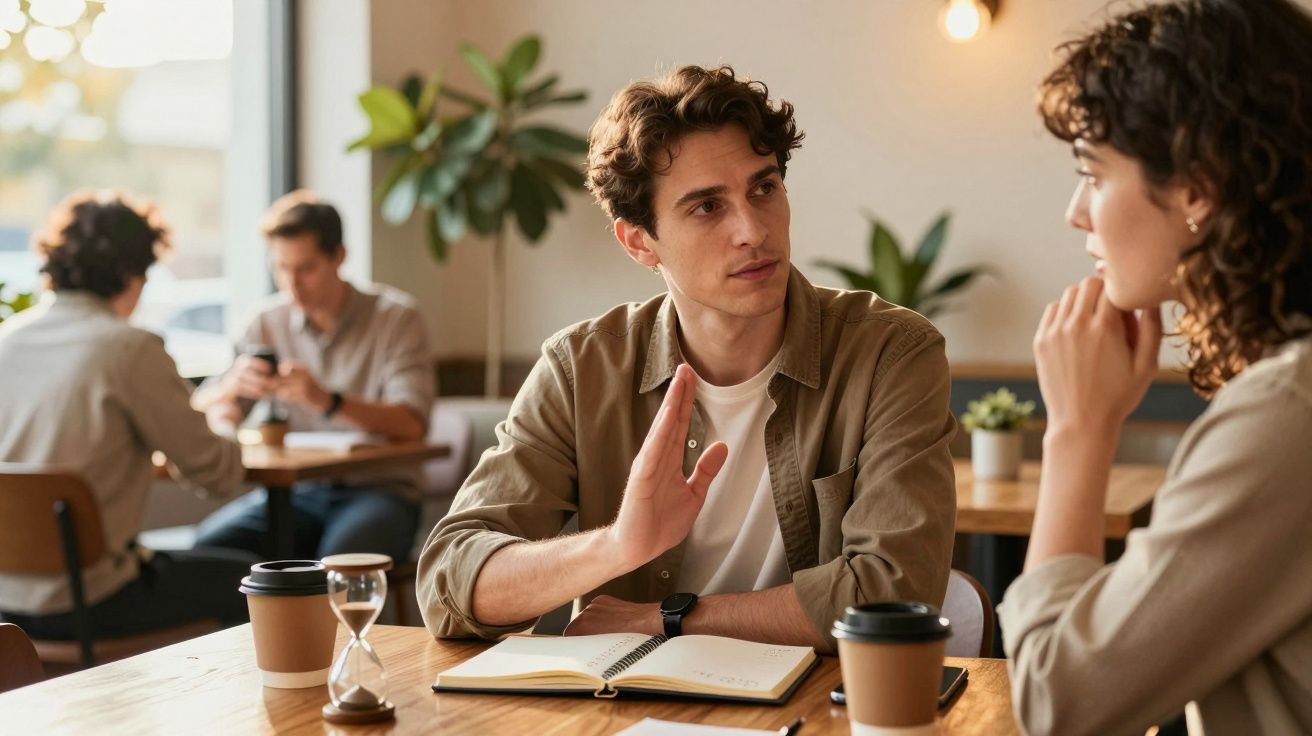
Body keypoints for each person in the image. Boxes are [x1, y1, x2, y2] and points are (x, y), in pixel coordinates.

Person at [417, 65, 956, 651]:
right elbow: (451, 580)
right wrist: (618, 544)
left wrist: (669, 619)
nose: (753, 230)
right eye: (706, 207)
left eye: (763, 187)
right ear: (639, 242)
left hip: (816, 703)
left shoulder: (889, 352)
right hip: (630, 704)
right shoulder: (582, 368)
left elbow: (895, 592)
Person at [997, 1, 1312, 733]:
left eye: (1094, 173)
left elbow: (1056, 702)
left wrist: (1077, 431)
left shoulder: (1288, 413)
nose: (1078, 212)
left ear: (1198, 187)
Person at [0, 192, 255, 639]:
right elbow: (218, 475)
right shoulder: (128, 348)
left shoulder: (7, 340)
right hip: (88, 600)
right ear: (132, 275)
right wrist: (227, 417)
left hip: (6, 604)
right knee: (264, 585)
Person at [190, 191, 435, 563]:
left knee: (337, 565)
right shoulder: (265, 323)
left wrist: (327, 400)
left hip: (381, 490)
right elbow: (204, 408)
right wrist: (229, 390)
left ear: (338, 257)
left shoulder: (395, 318)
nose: (292, 284)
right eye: (280, 269)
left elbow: (412, 424)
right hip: (297, 493)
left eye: (305, 268)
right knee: (211, 552)